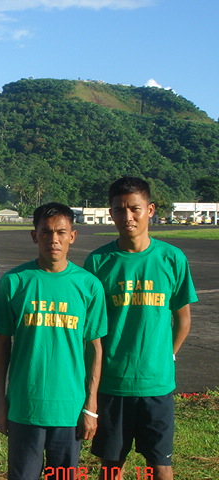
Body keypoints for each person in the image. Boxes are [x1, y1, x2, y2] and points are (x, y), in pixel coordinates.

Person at [85, 177, 197, 480]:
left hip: (156, 386)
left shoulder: (171, 258)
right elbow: (90, 330)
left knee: (160, 466)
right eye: (119, 210)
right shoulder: (98, 262)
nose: (128, 217)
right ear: (111, 214)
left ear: (150, 210)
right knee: (110, 466)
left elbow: (183, 319)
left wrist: (167, 355)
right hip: (113, 384)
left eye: (134, 209)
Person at [0, 202, 107, 480]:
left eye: (61, 232)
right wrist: (1, 401)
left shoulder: (89, 285)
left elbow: (94, 349)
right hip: (24, 407)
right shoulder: (15, 282)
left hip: (69, 409)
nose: (53, 239)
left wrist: (91, 406)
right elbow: (0, 345)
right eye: (46, 232)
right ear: (35, 236)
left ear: (72, 236)